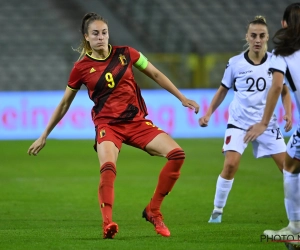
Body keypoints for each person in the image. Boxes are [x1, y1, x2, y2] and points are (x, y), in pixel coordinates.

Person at [27, 12, 199, 239]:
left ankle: (153, 210)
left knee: (177, 155)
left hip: (136, 122)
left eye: (104, 32)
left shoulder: (127, 54)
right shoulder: (81, 68)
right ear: (86, 37)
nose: (101, 37)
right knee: (108, 168)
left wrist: (181, 97)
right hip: (108, 125)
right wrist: (44, 135)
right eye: (95, 34)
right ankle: (107, 224)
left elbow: (155, 73)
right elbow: (64, 104)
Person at [199, 16, 292, 223]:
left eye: (261, 35)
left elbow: (284, 91)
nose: (257, 40)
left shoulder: (277, 62)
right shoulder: (235, 63)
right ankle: (217, 210)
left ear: (267, 37)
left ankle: (296, 214)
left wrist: (288, 112)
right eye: (253, 36)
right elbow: (223, 90)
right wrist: (208, 113)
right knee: (231, 164)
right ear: (246, 37)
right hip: (239, 123)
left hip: (267, 124)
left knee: (288, 168)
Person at [244, 3, 300, 245]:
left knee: (290, 168)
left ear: (284, 24)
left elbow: (277, 87)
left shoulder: (282, 54)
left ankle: (295, 228)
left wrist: (264, 123)